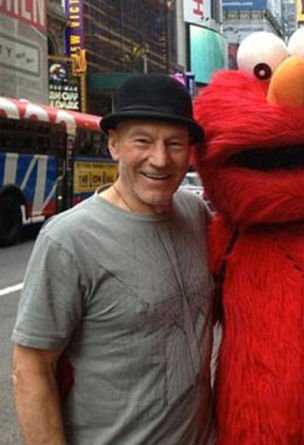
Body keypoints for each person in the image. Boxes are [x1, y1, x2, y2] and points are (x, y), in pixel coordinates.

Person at [12, 74, 215, 445]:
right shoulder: (69, 238)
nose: (160, 159)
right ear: (114, 144)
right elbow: (32, 366)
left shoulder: (196, 214)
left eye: (174, 144)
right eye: (143, 141)